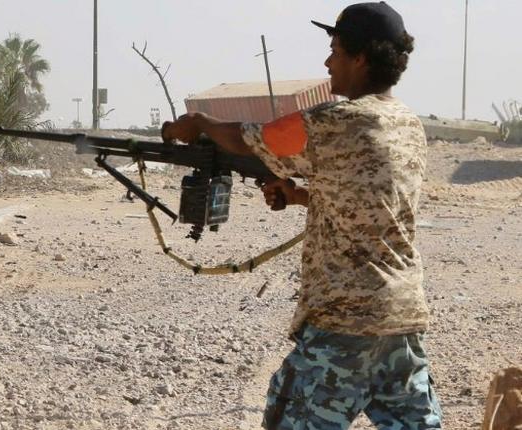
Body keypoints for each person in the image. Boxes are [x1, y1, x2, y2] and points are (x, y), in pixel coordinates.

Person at [161, 2, 442, 429]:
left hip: (346, 321)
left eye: (335, 50)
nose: (327, 62)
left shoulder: (337, 121)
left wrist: (199, 122)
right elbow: (372, 205)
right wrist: (300, 197)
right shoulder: (407, 123)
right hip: (402, 321)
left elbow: (251, 137)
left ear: (361, 58)